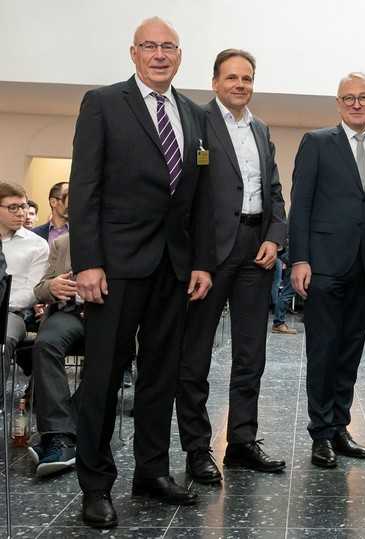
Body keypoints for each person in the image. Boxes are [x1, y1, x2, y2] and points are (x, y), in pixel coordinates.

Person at [69, 17, 214, 528]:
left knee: (161, 378)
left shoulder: (195, 115)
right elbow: (84, 186)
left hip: (174, 269)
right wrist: (86, 262)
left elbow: (199, 198)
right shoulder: (103, 103)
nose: (159, 54)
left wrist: (200, 262)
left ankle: (151, 472)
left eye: (168, 47)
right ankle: (95, 484)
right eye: (149, 47)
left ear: (180, 54)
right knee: (104, 379)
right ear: (133, 53)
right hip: (115, 268)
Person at [178, 48, 287, 484]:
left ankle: (241, 441)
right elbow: (186, 192)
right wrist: (194, 256)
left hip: (254, 251)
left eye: (247, 78)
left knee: (250, 354)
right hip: (208, 253)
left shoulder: (261, 130)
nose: (240, 85)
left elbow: (274, 192)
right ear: (215, 82)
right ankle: (197, 448)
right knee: (196, 355)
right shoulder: (196, 122)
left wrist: (274, 237)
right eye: (232, 78)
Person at [289, 72, 365, 468]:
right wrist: (299, 259)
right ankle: (320, 433)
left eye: (364, 97)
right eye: (348, 98)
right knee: (323, 351)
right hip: (324, 266)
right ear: (338, 104)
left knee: (350, 352)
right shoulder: (317, 143)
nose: (356, 103)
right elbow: (299, 204)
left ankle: (339, 425)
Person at [30, 231, 83, 477]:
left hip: (108, 316)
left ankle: (59, 432)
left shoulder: (122, 238)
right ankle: (60, 437)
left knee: (110, 354)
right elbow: (39, 289)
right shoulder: (63, 243)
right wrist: (52, 286)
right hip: (68, 313)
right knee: (45, 344)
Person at [0, 183, 49, 363]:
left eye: (24, 206)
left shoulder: (37, 245)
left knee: (2, 340)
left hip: (12, 314)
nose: (21, 213)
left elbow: (32, 292)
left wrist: (2, 304)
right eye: (13, 207)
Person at [271, 251, 297, 334]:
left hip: (291, 263)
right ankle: (278, 323)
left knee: (285, 293)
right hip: (294, 264)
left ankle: (278, 322)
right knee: (286, 294)